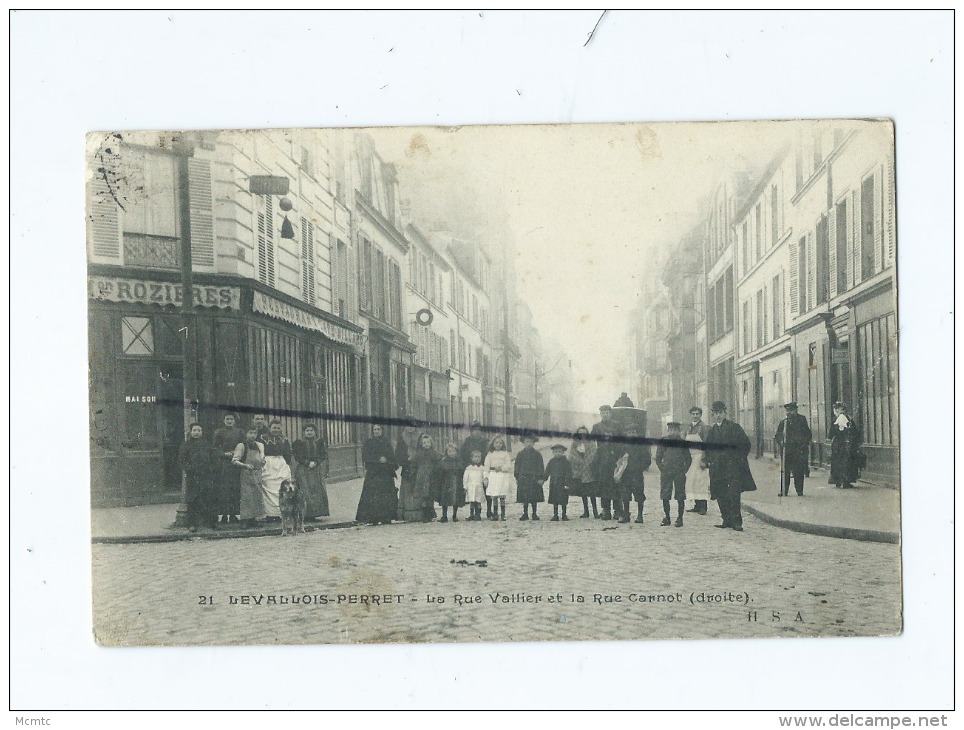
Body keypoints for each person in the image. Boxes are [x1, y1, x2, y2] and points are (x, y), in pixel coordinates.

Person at [705, 401, 757, 532]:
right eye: (716, 413)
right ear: (713, 414)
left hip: (732, 466)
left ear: (725, 413)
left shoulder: (735, 428)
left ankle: (737, 522)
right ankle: (726, 519)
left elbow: (746, 444)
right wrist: (710, 461)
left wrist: (738, 459)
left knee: (734, 493)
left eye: (720, 413)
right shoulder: (712, 431)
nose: (718, 416)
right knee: (720, 493)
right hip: (717, 468)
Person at [178, 423, 219, 531]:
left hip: (206, 475)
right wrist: (191, 469)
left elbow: (214, 458)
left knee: (207, 498)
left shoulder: (207, 444)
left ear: (202, 432)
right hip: (193, 476)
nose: (197, 433)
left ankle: (210, 522)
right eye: (194, 430)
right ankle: (192, 523)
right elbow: (182, 461)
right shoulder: (186, 445)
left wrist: (211, 469)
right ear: (190, 432)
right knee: (193, 499)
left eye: (199, 430)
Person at [355, 424, 399, 525]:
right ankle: (373, 517)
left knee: (386, 495)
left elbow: (392, 455)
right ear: (372, 431)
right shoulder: (369, 443)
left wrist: (387, 460)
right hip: (374, 473)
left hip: (386, 473)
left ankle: (386, 517)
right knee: (373, 496)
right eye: (375, 429)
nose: (377, 431)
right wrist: (377, 459)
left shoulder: (387, 442)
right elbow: (366, 456)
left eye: (379, 429)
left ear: (382, 430)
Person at [655, 422, 692, 527]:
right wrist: (662, 469)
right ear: (668, 431)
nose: (673, 432)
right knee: (665, 495)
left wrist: (684, 470)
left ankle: (680, 518)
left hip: (679, 473)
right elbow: (658, 457)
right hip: (666, 472)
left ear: (679, 431)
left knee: (680, 494)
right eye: (671, 430)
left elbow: (688, 459)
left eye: (675, 430)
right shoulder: (664, 441)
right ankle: (667, 517)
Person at [292, 423, 330, 520]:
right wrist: (306, 462)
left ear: (315, 432)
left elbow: (323, 455)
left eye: (311, 430)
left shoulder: (319, 442)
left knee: (316, 490)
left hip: (316, 470)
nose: (309, 432)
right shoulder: (298, 443)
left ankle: (315, 514)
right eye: (307, 430)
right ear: (304, 432)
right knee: (304, 490)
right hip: (303, 470)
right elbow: (297, 456)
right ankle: (305, 514)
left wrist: (316, 462)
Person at [774, 402, 812, 497]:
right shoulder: (784, 422)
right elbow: (777, 435)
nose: (788, 413)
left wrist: (803, 444)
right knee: (785, 471)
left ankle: (799, 491)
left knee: (798, 471)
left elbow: (807, 434)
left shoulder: (802, 420)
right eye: (787, 411)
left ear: (795, 410)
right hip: (787, 450)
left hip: (798, 450)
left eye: (790, 410)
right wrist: (781, 442)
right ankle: (784, 491)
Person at [213, 412, 244, 526]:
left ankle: (234, 514)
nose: (229, 421)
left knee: (235, 489)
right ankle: (224, 515)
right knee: (224, 489)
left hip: (236, 463)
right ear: (224, 420)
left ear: (234, 421)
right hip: (224, 464)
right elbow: (215, 448)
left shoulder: (239, 432)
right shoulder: (219, 432)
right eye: (227, 419)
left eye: (231, 419)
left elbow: (243, 445)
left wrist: (236, 454)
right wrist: (224, 454)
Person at [591, 405, 622, 520]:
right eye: (603, 412)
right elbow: (590, 442)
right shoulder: (596, 427)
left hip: (615, 459)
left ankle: (618, 510)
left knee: (616, 484)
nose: (605, 414)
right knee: (604, 485)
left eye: (607, 412)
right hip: (602, 460)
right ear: (600, 414)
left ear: (610, 413)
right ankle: (606, 510)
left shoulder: (617, 425)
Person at [401, 433, 441, 522]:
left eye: (428, 442)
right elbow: (414, 464)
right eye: (424, 443)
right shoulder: (419, 454)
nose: (426, 444)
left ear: (431, 443)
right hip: (421, 477)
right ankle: (425, 515)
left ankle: (430, 514)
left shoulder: (434, 453)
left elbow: (439, 462)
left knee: (430, 496)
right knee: (423, 496)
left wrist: (436, 471)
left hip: (431, 477)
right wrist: (414, 473)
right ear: (421, 444)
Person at [233, 425, 266, 528]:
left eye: (254, 433)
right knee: (247, 497)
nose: (252, 435)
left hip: (257, 473)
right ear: (246, 434)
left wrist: (263, 461)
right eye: (250, 433)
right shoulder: (241, 446)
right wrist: (245, 465)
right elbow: (234, 461)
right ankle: (245, 520)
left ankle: (254, 519)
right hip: (246, 473)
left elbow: (262, 458)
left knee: (257, 496)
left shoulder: (260, 445)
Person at [259, 420, 293, 519]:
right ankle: (270, 514)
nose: (276, 430)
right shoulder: (263, 438)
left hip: (281, 463)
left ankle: (282, 513)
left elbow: (287, 453)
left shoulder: (284, 439)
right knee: (269, 487)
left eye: (278, 428)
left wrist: (286, 463)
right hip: (268, 463)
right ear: (269, 428)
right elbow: (260, 451)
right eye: (274, 428)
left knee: (281, 487)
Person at [619, 423, 652, 524]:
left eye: (633, 432)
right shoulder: (624, 446)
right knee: (625, 495)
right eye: (629, 433)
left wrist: (639, 468)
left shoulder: (641, 446)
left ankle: (640, 515)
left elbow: (647, 460)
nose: (631, 434)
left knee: (639, 495)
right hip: (626, 474)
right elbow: (620, 459)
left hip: (637, 474)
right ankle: (626, 515)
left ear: (636, 433)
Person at [684, 407, 712, 515]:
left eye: (697, 414)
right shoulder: (689, 427)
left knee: (701, 482)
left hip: (700, 456)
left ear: (700, 415)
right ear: (690, 415)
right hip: (691, 458)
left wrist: (704, 460)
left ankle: (703, 506)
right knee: (692, 481)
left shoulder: (704, 428)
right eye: (693, 414)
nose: (695, 416)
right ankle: (696, 505)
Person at [460, 421, 491, 516]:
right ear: (471, 431)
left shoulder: (485, 442)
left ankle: (489, 510)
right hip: (471, 469)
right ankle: (473, 513)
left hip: (483, 468)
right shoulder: (467, 442)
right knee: (473, 491)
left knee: (487, 490)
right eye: (474, 430)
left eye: (479, 430)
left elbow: (489, 455)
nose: (477, 432)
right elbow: (463, 455)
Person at [568, 426, 599, 518]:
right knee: (583, 493)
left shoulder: (591, 443)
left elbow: (593, 455)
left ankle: (595, 511)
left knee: (592, 492)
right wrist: (580, 462)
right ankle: (586, 511)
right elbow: (572, 456)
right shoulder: (575, 444)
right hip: (579, 471)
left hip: (589, 470)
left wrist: (587, 463)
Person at [829, 402, 861, 489]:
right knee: (845, 462)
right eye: (841, 409)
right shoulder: (847, 420)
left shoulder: (836, 420)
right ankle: (844, 481)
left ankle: (839, 480)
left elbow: (830, 434)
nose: (842, 412)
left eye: (843, 409)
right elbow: (855, 433)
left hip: (839, 444)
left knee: (840, 462)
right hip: (845, 444)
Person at [515, 432, 545, 521]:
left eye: (531, 442)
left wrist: (540, 478)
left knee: (534, 497)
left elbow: (541, 466)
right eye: (527, 442)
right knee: (524, 498)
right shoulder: (520, 454)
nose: (529, 444)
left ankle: (534, 513)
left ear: (534, 443)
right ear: (523, 443)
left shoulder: (537, 454)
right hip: (523, 479)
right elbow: (517, 466)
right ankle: (525, 513)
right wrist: (517, 477)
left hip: (534, 480)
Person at [484, 434, 514, 521]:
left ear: (502, 444)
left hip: (502, 475)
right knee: (494, 495)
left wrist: (501, 468)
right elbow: (486, 467)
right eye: (496, 443)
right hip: (493, 476)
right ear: (493, 444)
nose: (498, 445)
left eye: (500, 443)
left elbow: (508, 465)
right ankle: (495, 514)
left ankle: (503, 514)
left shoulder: (505, 454)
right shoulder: (490, 454)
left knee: (502, 495)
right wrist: (486, 477)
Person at [544, 444, 573, 521]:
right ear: (553, 452)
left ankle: (564, 514)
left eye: (560, 451)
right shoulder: (551, 461)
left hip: (563, 483)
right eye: (556, 451)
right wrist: (544, 478)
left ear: (563, 452)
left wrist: (567, 483)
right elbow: (547, 471)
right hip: (554, 483)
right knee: (555, 499)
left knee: (563, 499)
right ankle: (555, 514)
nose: (558, 453)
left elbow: (569, 473)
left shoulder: (566, 462)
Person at [462, 449, 487, 521]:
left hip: (479, 487)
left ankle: (478, 515)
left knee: (478, 501)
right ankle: (472, 515)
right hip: (471, 487)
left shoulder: (482, 468)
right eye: (475, 457)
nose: (477, 458)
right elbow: (465, 478)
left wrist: (485, 480)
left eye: (479, 457)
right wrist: (465, 487)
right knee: (472, 501)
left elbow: (485, 475)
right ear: (471, 458)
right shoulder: (469, 468)